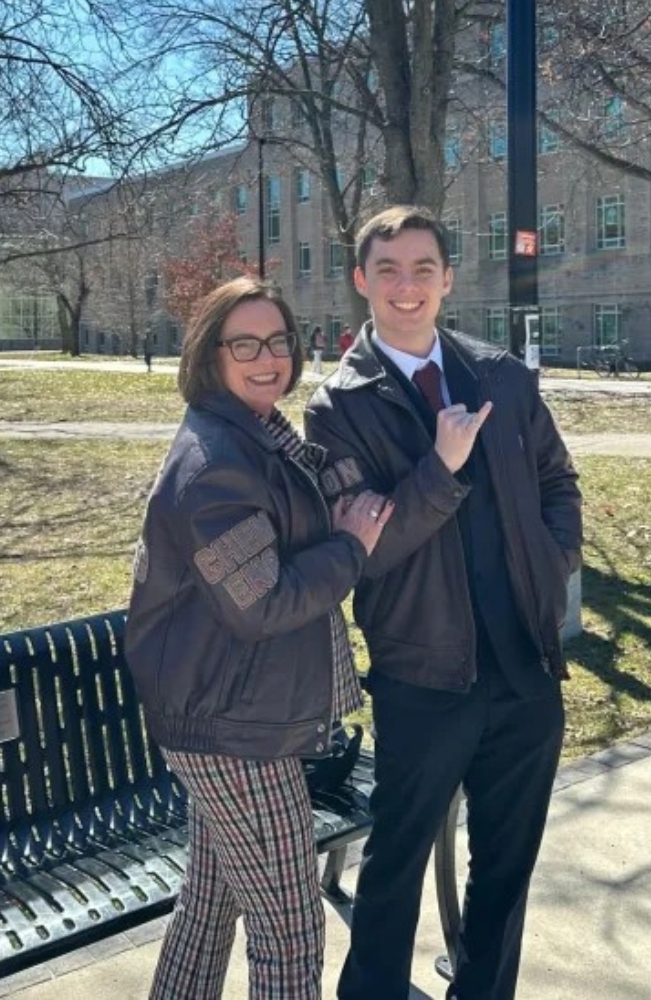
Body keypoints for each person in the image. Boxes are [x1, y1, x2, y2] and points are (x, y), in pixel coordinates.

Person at [305, 206, 583, 1000]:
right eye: (387, 270)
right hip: (423, 673)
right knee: (395, 862)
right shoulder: (338, 407)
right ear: (361, 281)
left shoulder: (501, 376)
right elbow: (369, 549)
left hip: (526, 666)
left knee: (507, 865)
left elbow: (559, 485)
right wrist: (441, 466)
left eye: (423, 268)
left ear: (448, 279)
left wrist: (549, 563)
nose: (406, 286)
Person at [124, 276, 394, 1000]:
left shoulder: (259, 437)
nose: (266, 357)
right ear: (209, 353)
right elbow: (263, 604)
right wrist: (349, 549)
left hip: (228, 709)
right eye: (244, 343)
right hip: (231, 729)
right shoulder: (214, 468)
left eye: (277, 340)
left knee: (209, 910)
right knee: (291, 932)